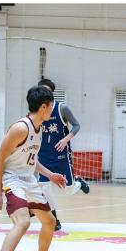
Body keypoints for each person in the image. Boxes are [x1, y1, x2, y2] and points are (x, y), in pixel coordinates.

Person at [0, 84, 65, 251]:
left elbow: (30, 159)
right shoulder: (20, 128)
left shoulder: (39, 128)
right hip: (11, 179)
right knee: (23, 222)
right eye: (52, 105)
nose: (53, 109)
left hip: (28, 179)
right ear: (44, 107)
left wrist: (50, 175)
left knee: (50, 222)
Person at [34, 77, 90, 231]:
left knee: (68, 190)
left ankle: (79, 183)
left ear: (52, 93)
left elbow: (76, 125)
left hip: (61, 156)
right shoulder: (36, 111)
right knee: (44, 190)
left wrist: (66, 139)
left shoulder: (62, 109)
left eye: (47, 91)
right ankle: (55, 221)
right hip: (44, 157)